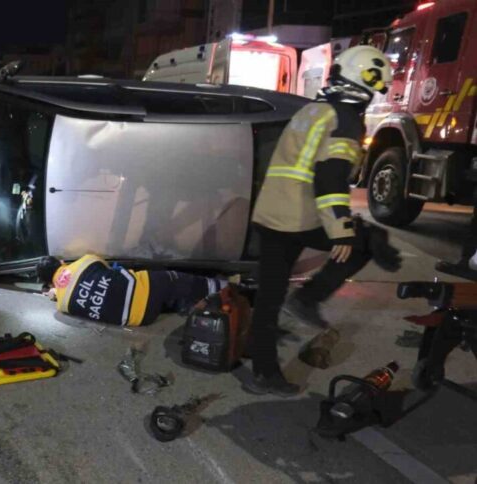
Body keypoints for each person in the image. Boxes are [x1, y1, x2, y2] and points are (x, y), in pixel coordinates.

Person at [246, 46, 392, 397]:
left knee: (268, 297)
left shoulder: (313, 109)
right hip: (300, 216)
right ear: (368, 85)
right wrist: (342, 231)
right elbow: (330, 180)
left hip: (272, 214)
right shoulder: (345, 118)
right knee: (365, 242)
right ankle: (308, 299)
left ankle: (262, 369)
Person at [36, 254, 226, 327]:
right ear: (61, 262)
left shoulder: (62, 304)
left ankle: (186, 305)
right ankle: (226, 288)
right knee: (176, 279)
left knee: (166, 295)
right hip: (146, 288)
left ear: (50, 283)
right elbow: (105, 268)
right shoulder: (85, 260)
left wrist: (55, 292)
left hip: (138, 318)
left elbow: (64, 292)